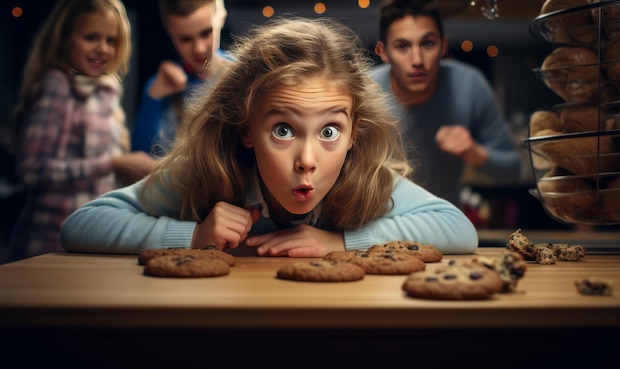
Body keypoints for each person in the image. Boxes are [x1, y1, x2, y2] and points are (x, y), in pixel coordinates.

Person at [60, 17, 479, 258]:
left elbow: (457, 228)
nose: (308, 160)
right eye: (283, 130)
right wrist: (191, 236)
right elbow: (81, 226)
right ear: (245, 129)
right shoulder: (209, 170)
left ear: (354, 134)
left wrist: (342, 242)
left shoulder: (366, 175)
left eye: (330, 131)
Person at [8, 0, 156, 261]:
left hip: (90, 239)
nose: (103, 49)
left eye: (111, 40)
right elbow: (32, 170)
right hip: (50, 246)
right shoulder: (57, 85)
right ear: (65, 38)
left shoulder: (106, 91)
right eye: (91, 37)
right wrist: (114, 163)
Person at [370, 0, 522, 208]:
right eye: (402, 46)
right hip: (375, 224)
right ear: (383, 52)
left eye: (427, 44)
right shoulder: (364, 92)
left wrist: (474, 152)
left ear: (443, 46)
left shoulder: (469, 85)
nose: (417, 59)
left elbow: (512, 169)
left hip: (443, 226)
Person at [131, 0, 230, 157]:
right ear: (169, 32)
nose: (198, 49)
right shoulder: (159, 86)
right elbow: (141, 161)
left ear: (221, 17)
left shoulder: (243, 73)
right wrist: (152, 97)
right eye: (185, 39)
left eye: (206, 33)